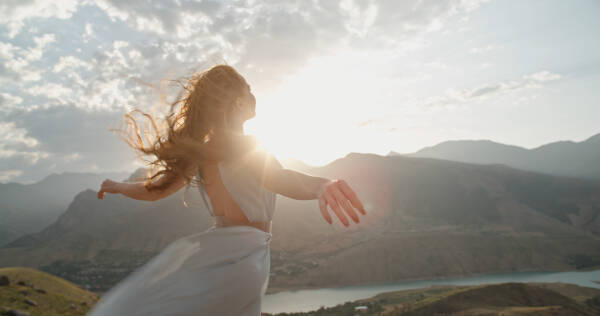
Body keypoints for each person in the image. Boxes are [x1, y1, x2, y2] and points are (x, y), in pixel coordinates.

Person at [89, 64, 367, 316]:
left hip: (218, 250)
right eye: (248, 89)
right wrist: (321, 185)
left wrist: (120, 187)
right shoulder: (246, 145)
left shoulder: (202, 151)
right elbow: (279, 178)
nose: (253, 95)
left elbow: (156, 191)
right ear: (237, 101)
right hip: (242, 256)